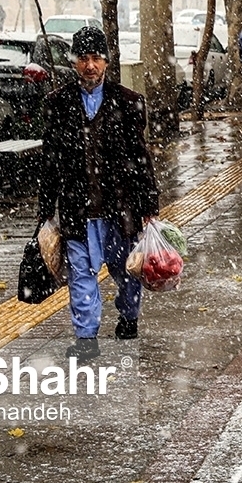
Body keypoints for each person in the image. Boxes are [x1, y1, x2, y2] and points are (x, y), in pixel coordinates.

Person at [38, 26, 159, 361]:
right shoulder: (58, 104)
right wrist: (46, 210)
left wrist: (149, 206)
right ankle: (87, 338)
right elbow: (50, 161)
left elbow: (141, 158)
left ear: (106, 62)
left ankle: (129, 317)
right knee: (81, 274)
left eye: (96, 58)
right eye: (83, 59)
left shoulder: (129, 103)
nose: (90, 66)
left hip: (120, 209)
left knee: (126, 270)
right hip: (79, 209)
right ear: (74, 62)